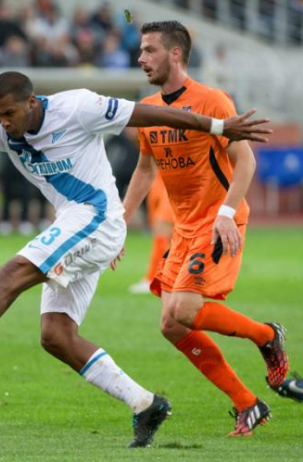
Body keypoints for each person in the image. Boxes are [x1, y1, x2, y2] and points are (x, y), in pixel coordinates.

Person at [0, 70, 270, 448]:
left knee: (13, 272)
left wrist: (217, 127)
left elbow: (148, 113)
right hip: (77, 225)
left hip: (96, 219)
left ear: (31, 102)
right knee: (56, 336)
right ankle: (146, 404)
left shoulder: (78, 107)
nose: (3, 122)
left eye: (9, 113)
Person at [112, 21, 289, 436]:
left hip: (218, 218)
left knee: (185, 310)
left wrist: (226, 214)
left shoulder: (211, 100)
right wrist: (121, 220)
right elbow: (144, 168)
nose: (141, 58)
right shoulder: (150, 107)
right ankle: (248, 404)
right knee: (171, 325)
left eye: (150, 50)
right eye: (141, 50)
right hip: (184, 226)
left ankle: (266, 336)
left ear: (176, 54)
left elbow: (246, 162)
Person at [128, 172, 174, 294]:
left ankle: (154, 278)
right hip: (158, 175)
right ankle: (165, 276)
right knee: (159, 228)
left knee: (163, 226)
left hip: (176, 175)